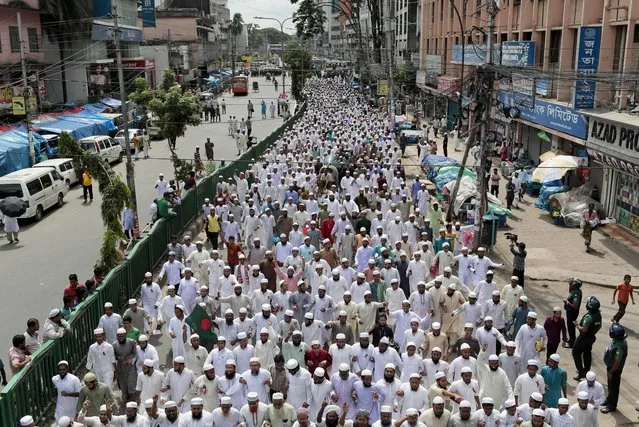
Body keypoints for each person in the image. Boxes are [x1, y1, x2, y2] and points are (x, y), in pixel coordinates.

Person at [572, 296, 602, 381]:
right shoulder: (598, 315)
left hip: (584, 338)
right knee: (587, 353)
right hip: (591, 337)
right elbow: (599, 326)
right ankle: (587, 371)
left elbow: (584, 329)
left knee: (575, 352)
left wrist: (577, 325)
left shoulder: (589, 317)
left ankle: (581, 373)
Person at [600, 322, 627, 414]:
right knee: (610, 386)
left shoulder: (620, 347)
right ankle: (608, 400)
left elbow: (617, 362)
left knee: (613, 388)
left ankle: (611, 406)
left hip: (615, 370)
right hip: (611, 367)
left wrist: (611, 372)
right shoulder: (617, 340)